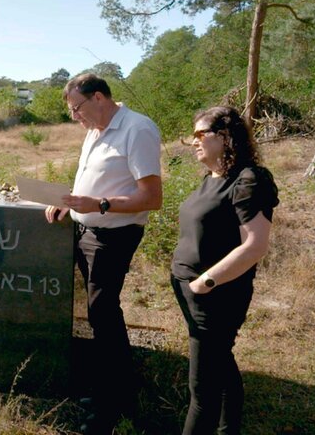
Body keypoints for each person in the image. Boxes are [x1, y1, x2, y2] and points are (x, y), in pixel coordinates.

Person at [45, 73, 163, 434]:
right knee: (97, 311)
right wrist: (69, 205)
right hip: (83, 228)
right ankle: (115, 378)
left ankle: (113, 399)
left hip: (113, 235)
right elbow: (94, 183)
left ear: (98, 97)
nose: (74, 116)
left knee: (102, 310)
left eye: (76, 108)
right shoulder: (94, 131)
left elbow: (152, 198)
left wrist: (99, 204)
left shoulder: (137, 129)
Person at [171, 106, 278, 434]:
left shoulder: (248, 180)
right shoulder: (212, 178)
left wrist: (206, 281)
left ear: (226, 136)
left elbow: (256, 245)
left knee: (201, 391)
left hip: (216, 296)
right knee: (220, 362)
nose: (193, 142)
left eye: (200, 134)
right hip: (193, 290)